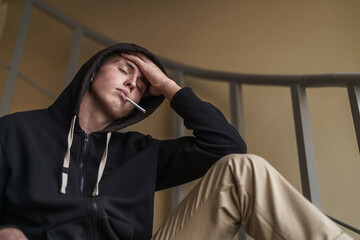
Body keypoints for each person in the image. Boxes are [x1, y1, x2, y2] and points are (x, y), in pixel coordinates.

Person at [0, 43, 352, 240]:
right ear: (92, 71)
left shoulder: (139, 152)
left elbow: (226, 146)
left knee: (241, 170)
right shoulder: (15, 132)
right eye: (124, 69)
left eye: (141, 85)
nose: (131, 84)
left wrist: (168, 88)